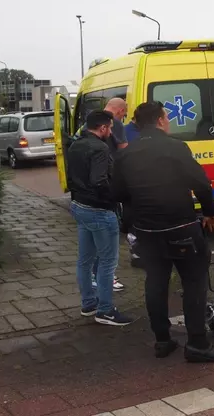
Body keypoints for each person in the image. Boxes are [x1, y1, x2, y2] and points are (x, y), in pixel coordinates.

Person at [111, 101, 214, 363]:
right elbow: (201, 182)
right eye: (167, 117)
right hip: (181, 226)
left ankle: (163, 341)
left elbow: (119, 193)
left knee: (155, 283)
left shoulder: (125, 154)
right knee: (194, 284)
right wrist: (210, 213)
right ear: (160, 120)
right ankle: (198, 344)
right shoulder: (175, 147)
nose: (168, 121)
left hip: (146, 231)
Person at [68, 109, 136, 326]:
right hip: (99, 210)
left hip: (79, 206)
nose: (111, 132)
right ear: (104, 127)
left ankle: (89, 304)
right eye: (110, 128)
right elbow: (99, 181)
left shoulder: (75, 144)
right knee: (107, 263)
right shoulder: (99, 148)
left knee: (85, 260)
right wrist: (118, 197)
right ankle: (105, 310)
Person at [90, 98, 129, 291]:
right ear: (120, 110)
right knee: (108, 237)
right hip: (108, 184)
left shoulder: (90, 123)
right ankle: (107, 278)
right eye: (124, 112)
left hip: (87, 192)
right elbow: (124, 152)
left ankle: (93, 276)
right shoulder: (116, 124)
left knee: (93, 239)